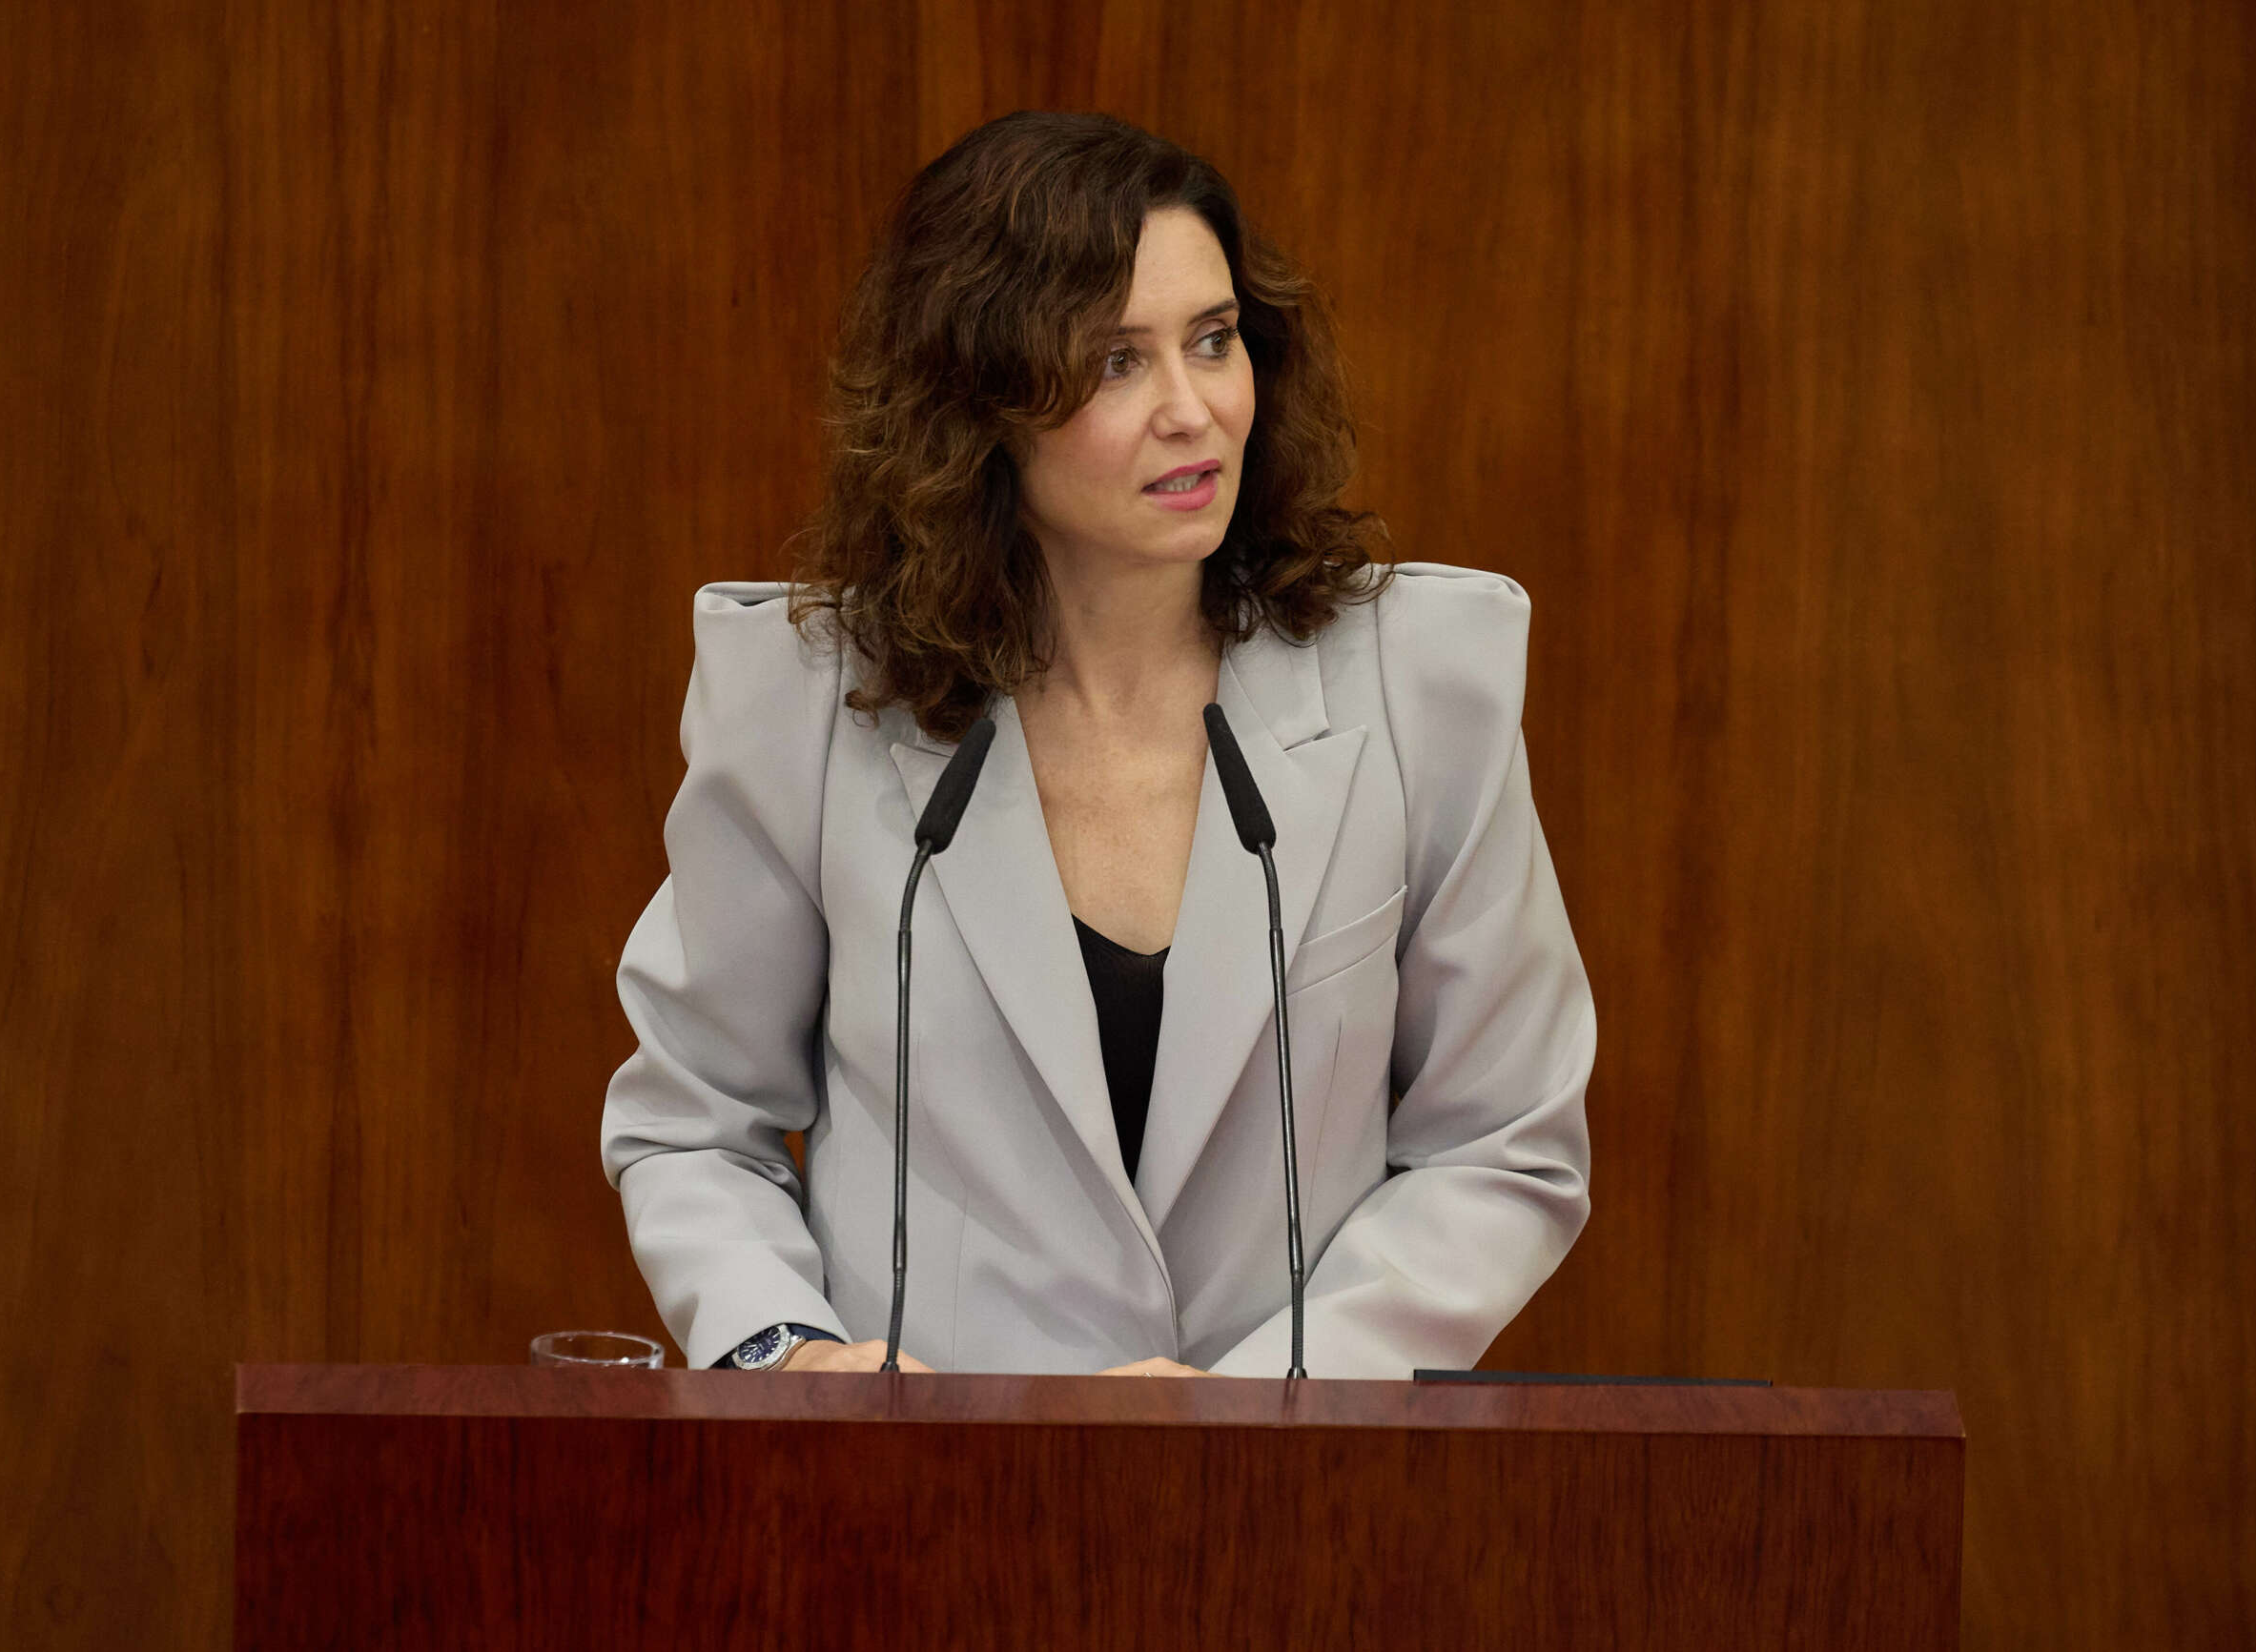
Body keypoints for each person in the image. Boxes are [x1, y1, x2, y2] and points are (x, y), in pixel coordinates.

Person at [599, 111, 1592, 1378]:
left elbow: (1503, 1142)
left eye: (1214, 340)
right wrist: (788, 1354)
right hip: (914, 1476)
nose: (1194, 410)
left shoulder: (1417, 684)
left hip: (1282, 1471)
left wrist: (1255, 1403)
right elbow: (693, 1123)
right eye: (1117, 362)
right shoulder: (812, 701)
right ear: (980, 406)